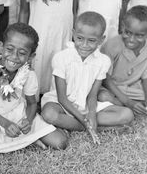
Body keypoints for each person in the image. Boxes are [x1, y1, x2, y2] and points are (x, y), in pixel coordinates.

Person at [0, 23, 67, 160]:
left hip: (19, 114)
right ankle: (23, 143)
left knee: (60, 142)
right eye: (9, 49)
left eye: (22, 53)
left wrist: (27, 121)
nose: (14, 56)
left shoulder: (28, 74)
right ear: (1, 46)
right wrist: (5, 124)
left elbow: (32, 104)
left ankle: (21, 141)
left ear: (31, 56)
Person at [41, 12, 134, 145]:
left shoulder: (103, 61)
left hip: (84, 104)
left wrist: (91, 113)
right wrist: (85, 120)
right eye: (79, 38)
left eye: (91, 40)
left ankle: (73, 125)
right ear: (73, 34)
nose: (84, 45)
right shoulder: (61, 58)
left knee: (127, 114)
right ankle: (95, 127)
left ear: (101, 40)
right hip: (60, 104)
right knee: (49, 114)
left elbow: (92, 95)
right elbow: (62, 98)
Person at [98, 6, 147, 116]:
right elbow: (104, 78)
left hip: (133, 90)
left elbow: (146, 78)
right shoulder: (112, 46)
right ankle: (129, 107)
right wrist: (128, 102)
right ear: (122, 26)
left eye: (139, 35)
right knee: (103, 97)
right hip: (112, 88)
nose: (131, 39)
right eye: (128, 32)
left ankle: (133, 107)